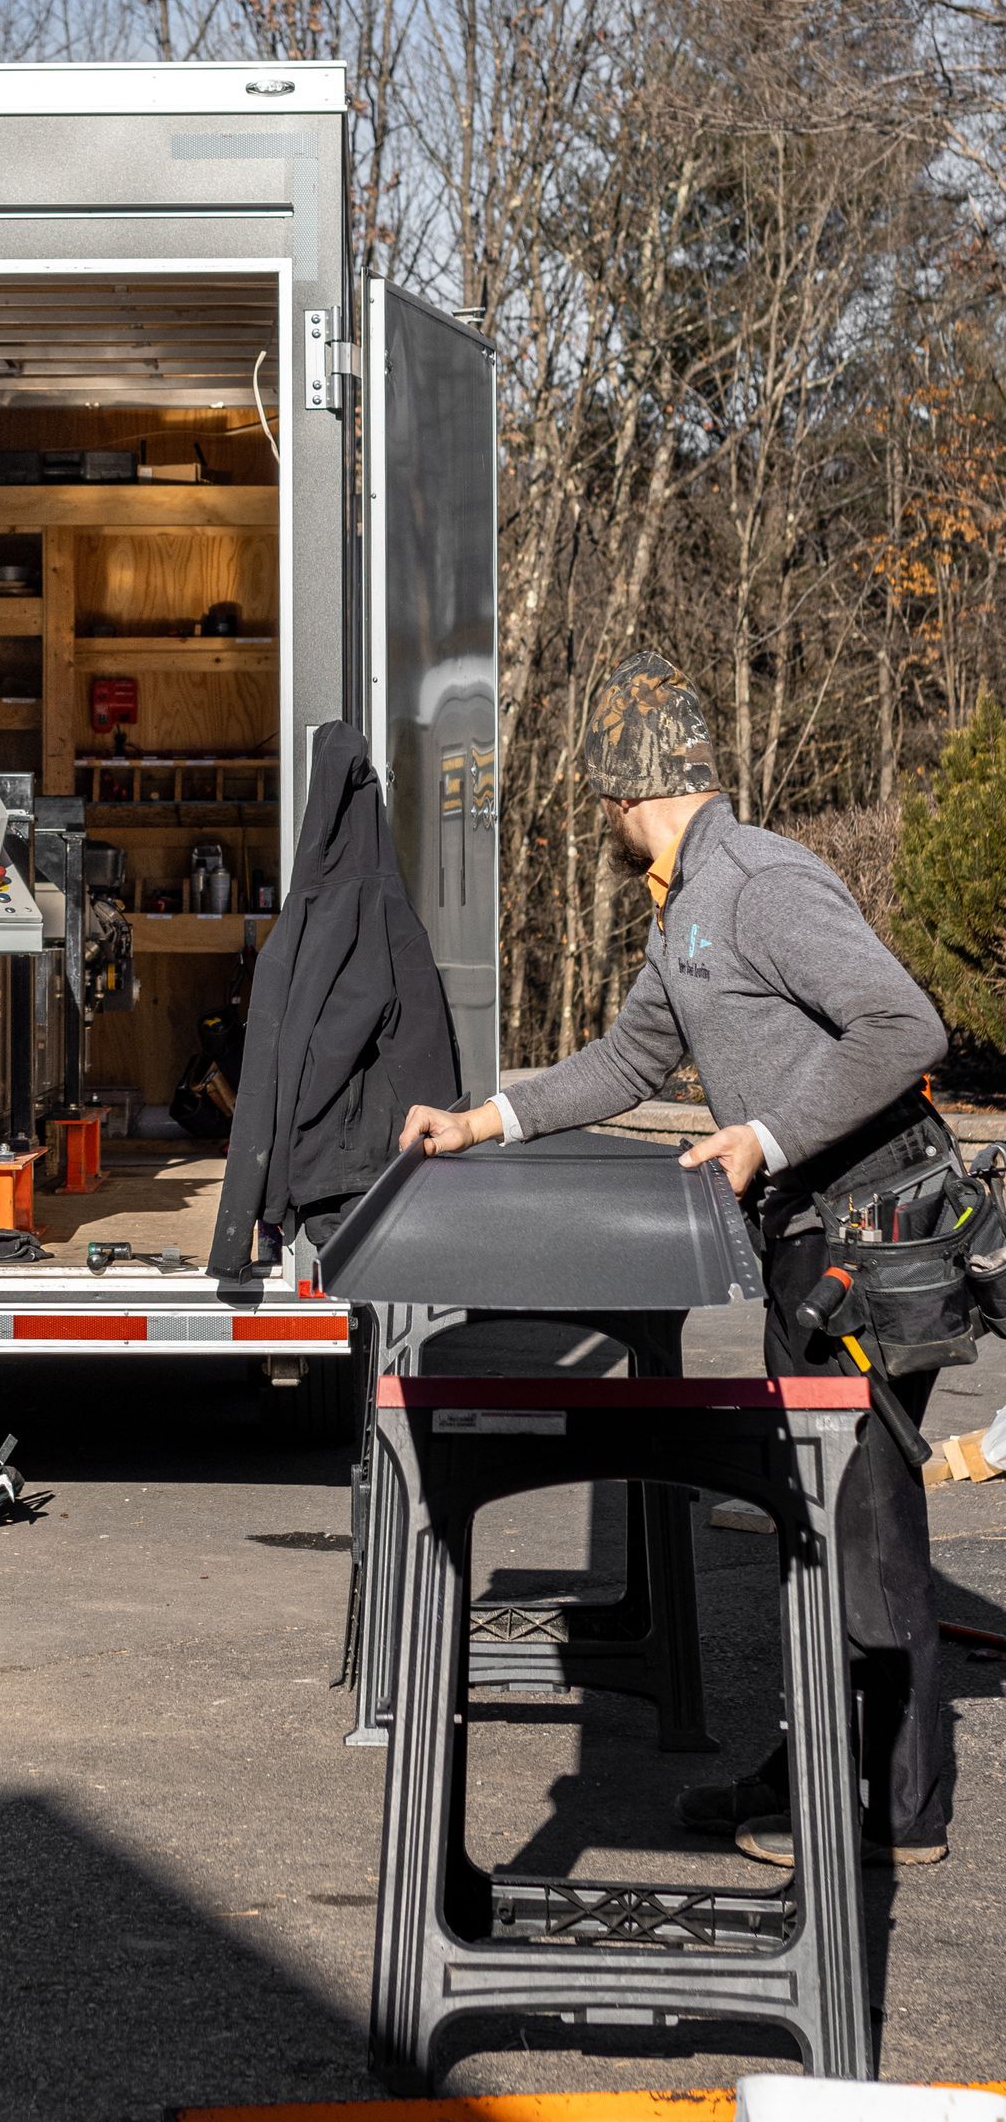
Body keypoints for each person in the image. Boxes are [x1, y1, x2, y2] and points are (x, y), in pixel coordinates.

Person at [401, 649, 955, 1868]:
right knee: (832, 1520)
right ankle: (828, 1764)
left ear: (622, 789)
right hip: (811, 1241)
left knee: (858, 1523)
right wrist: (481, 1119)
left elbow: (908, 1023)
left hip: (870, 1237)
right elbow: (626, 1062)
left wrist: (766, 1132)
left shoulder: (756, 884)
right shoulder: (684, 903)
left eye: (595, 797)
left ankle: (889, 1807)